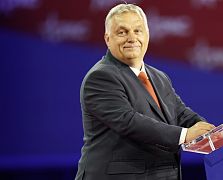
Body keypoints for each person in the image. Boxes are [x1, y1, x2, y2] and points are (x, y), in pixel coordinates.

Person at [75, 3, 215, 180]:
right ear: (107, 38)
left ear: (147, 35)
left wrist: (209, 131)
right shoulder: (101, 77)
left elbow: (180, 113)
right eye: (122, 32)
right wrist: (186, 135)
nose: (131, 38)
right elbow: (130, 122)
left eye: (137, 30)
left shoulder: (158, 76)